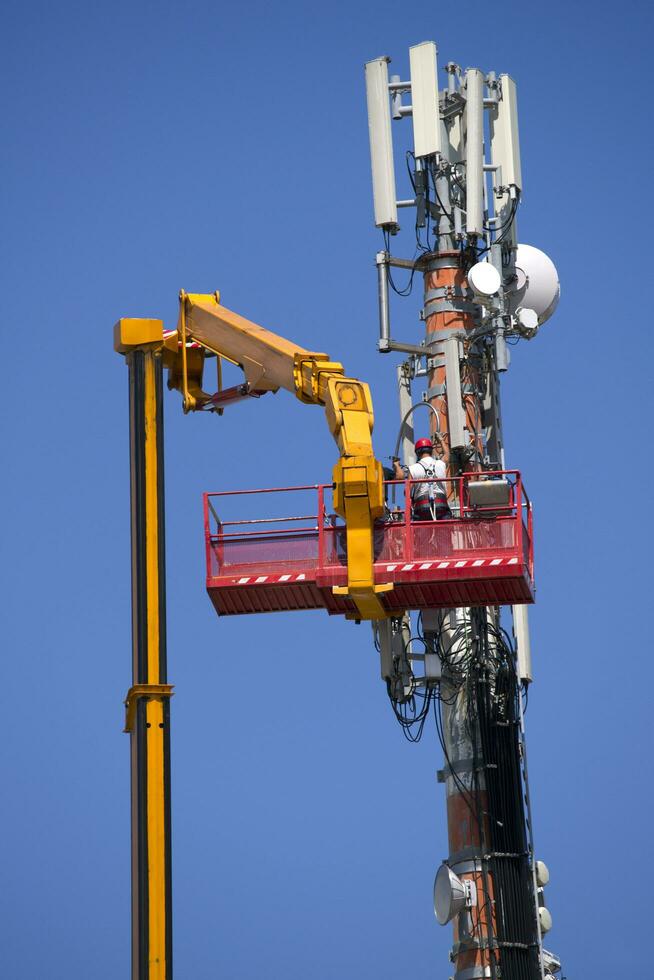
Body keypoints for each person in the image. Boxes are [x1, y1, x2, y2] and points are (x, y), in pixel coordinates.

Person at [393, 438, 451, 520]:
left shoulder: (413, 468)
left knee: (419, 530)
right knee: (445, 530)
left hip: (422, 507)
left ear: (417, 453)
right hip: (441, 504)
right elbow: (447, 455)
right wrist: (441, 440)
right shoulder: (440, 464)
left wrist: (397, 466)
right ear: (431, 450)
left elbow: (407, 492)